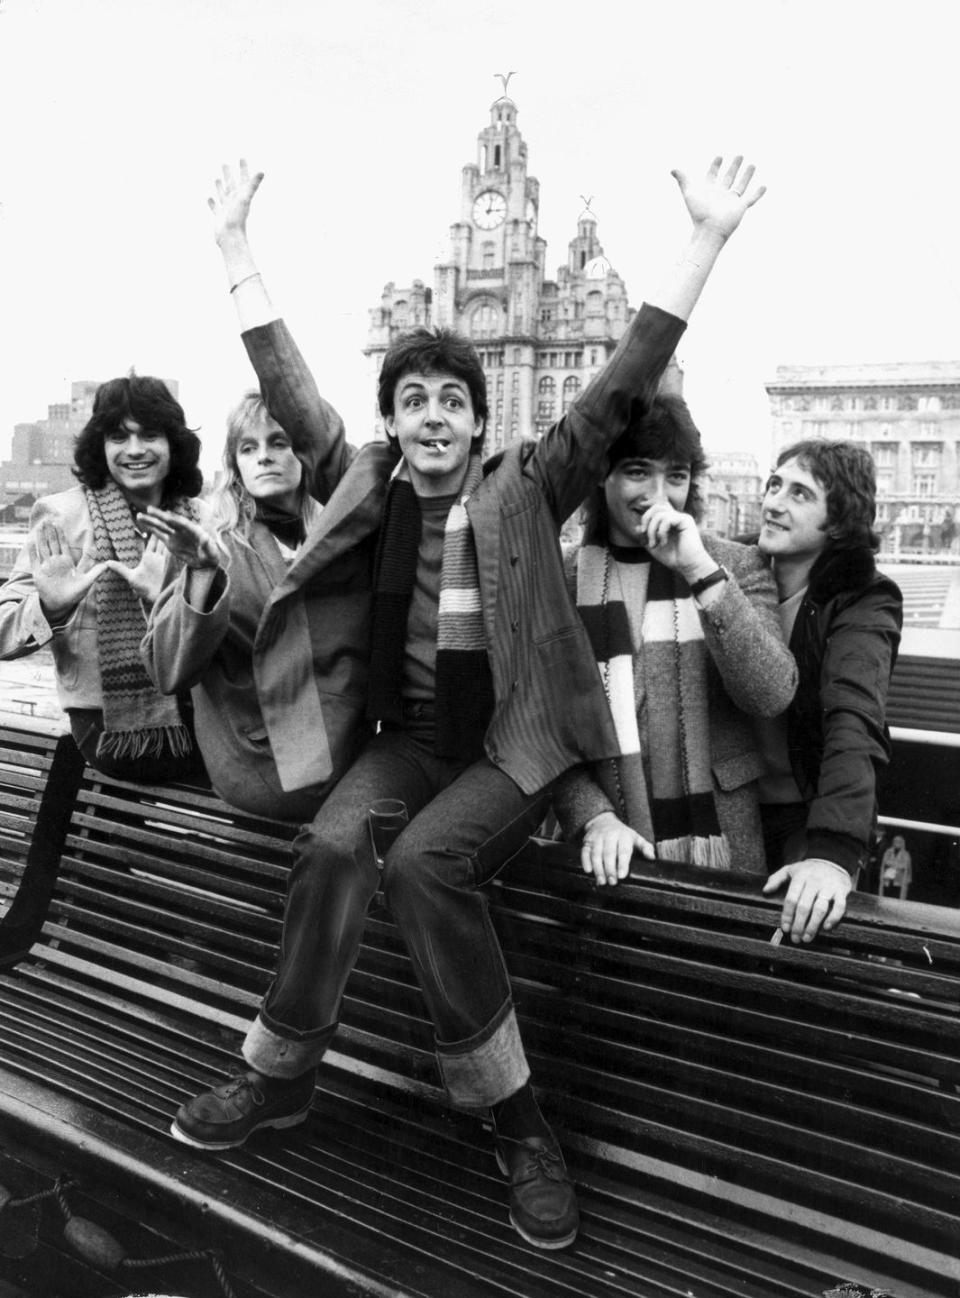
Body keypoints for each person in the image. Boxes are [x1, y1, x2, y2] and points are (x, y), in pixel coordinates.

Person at [145, 154, 766, 1251]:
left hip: (511, 750)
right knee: (338, 845)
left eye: (453, 402)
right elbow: (293, 391)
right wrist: (236, 250)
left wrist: (704, 241)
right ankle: (278, 1074)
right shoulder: (367, 484)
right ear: (391, 417)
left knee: (430, 863)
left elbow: (626, 374)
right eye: (413, 399)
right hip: (409, 742)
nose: (432, 417)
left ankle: (518, 1122)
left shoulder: (527, 485)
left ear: (483, 422)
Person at [141, 165, 394, 819]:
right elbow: (168, 667)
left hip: (343, 762)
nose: (267, 458)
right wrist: (201, 578)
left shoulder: (335, 526)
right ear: (234, 464)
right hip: (262, 769)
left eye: (280, 443)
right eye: (249, 448)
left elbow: (300, 400)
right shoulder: (213, 538)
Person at [552, 395, 797, 883]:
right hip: (603, 848)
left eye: (677, 476)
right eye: (638, 471)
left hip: (720, 844)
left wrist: (698, 571)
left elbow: (771, 693)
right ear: (603, 475)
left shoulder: (736, 566)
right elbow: (542, 724)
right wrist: (593, 815)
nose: (657, 494)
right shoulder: (562, 574)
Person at [0, 376, 205, 780]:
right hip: (107, 727)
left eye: (150, 434)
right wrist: (50, 606)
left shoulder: (201, 522)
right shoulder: (62, 516)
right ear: (101, 446)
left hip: (200, 715)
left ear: (173, 444)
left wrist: (170, 595)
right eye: (118, 436)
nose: (134, 450)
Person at [754, 439, 903, 943]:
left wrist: (832, 852)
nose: (774, 502)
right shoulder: (734, 573)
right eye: (774, 484)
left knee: (798, 941)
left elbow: (853, 715)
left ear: (838, 522)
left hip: (808, 815)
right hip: (733, 806)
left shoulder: (864, 597)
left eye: (800, 493)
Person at [880, 833, 912, 899]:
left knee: (896, 896)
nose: (897, 843)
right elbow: (885, 862)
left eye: (899, 841)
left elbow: (905, 865)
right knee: (886, 896)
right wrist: (895, 864)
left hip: (899, 880)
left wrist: (895, 865)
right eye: (896, 841)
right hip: (888, 878)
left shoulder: (905, 854)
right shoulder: (888, 851)